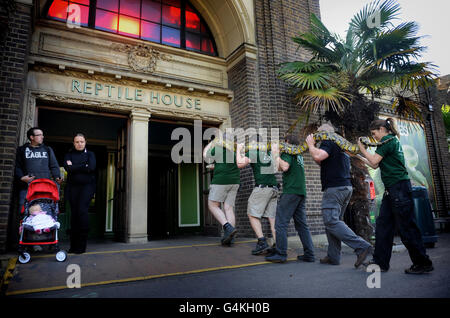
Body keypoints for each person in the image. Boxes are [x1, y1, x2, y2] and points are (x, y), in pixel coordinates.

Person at [357, 118, 433, 274]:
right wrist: (358, 156)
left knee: (407, 228)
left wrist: (361, 148)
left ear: (382, 129)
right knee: (383, 226)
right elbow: (374, 164)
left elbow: (374, 160)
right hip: (391, 190)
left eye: (374, 134)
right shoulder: (389, 141)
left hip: (399, 188)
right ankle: (380, 263)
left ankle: (423, 263)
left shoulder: (387, 140)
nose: (374, 137)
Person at [306, 123, 372, 268]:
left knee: (331, 221)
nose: (317, 135)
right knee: (333, 222)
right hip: (345, 188)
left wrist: (311, 145)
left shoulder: (329, 141)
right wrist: (315, 150)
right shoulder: (340, 145)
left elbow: (319, 155)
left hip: (335, 188)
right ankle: (333, 256)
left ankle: (361, 246)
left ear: (325, 133)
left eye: (318, 133)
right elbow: (321, 160)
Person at [265, 134, 315, 263]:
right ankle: (309, 254)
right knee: (301, 225)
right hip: (300, 192)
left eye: (284, 142)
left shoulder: (288, 151)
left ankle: (281, 254)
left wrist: (276, 153)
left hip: (291, 191)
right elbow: (281, 168)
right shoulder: (298, 154)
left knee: (280, 223)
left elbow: (285, 167)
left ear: (287, 142)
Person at [203, 131, 250, 246]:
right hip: (234, 182)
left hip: (221, 181)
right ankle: (230, 238)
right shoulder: (234, 151)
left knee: (213, 205)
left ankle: (227, 227)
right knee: (228, 208)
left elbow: (205, 156)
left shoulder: (218, 148)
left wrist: (211, 143)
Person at [64, 133, 96, 254]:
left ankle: (81, 246)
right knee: (74, 215)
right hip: (73, 187)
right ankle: (73, 246)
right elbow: (67, 168)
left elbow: (91, 167)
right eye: (77, 142)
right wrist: (83, 166)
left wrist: (75, 167)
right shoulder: (68, 154)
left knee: (82, 212)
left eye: (81, 141)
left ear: (85, 142)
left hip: (87, 187)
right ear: (73, 143)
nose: (79, 144)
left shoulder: (90, 154)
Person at [15, 127, 62, 211]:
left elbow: (54, 165)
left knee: (43, 212)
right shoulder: (22, 150)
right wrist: (22, 177)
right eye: (39, 135)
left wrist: (57, 177)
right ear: (31, 137)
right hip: (27, 187)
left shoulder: (47, 149)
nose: (42, 137)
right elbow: (17, 166)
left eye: (42, 135)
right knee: (24, 211)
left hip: (44, 187)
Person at [246, 140, 278, 255]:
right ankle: (278, 245)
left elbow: (240, 164)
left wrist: (239, 151)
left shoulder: (253, 152)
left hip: (262, 188)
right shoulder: (269, 154)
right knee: (272, 218)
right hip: (274, 189)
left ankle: (262, 242)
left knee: (252, 214)